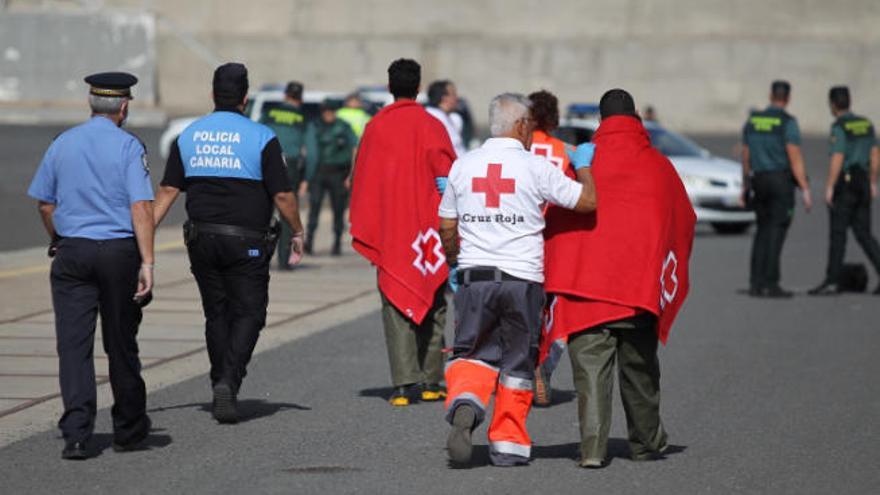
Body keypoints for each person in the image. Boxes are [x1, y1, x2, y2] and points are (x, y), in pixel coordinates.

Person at [439, 93, 598, 467]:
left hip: (475, 277)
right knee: (516, 363)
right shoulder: (535, 167)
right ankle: (508, 443)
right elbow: (587, 202)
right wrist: (585, 167)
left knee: (472, 353)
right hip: (522, 279)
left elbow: (447, 224)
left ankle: (466, 404)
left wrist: (454, 262)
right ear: (523, 126)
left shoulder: (464, 165)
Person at [542, 88, 696, 468]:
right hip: (638, 290)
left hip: (584, 290)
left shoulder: (583, 163)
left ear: (600, 122)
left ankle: (592, 450)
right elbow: (683, 219)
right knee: (640, 371)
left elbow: (556, 216)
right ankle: (645, 443)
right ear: (637, 121)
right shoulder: (658, 165)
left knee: (590, 374)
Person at [153, 63, 306, 424]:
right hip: (246, 241)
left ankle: (219, 377)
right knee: (250, 313)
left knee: (216, 312)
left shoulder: (189, 135)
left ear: (212, 95)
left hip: (201, 238)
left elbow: (167, 190)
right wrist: (297, 231)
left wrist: (143, 237)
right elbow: (283, 195)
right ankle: (229, 380)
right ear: (245, 97)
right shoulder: (261, 137)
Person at [27, 72, 155, 459]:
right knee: (120, 343)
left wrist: (59, 239)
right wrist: (148, 261)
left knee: (73, 346)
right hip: (118, 253)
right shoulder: (129, 146)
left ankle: (78, 434)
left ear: (90, 103)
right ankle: (129, 430)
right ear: (124, 106)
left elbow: (45, 203)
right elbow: (140, 207)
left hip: (73, 253)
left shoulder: (62, 143)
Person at [349, 59, 456, 406]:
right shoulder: (432, 125)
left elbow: (363, 182)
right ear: (419, 85)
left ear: (390, 85)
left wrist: (373, 230)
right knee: (436, 303)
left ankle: (402, 385)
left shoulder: (376, 127)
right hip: (428, 233)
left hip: (392, 232)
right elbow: (449, 177)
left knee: (395, 305)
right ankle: (430, 380)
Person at [740, 80, 812, 298]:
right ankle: (771, 284)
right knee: (777, 231)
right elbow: (794, 156)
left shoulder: (753, 120)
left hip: (759, 180)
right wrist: (805, 188)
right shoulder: (787, 122)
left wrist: (745, 185)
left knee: (762, 231)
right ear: (787, 98)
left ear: (770, 95)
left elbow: (746, 156)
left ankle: (755, 282)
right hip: (780, 181)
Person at [527, 89, 575, 407]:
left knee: (524, 308)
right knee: (558, 311)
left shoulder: (522, 147)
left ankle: (516, 371)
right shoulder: (564, 151)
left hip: (523, 235)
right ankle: (545, 367)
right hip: (554, 237)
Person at [809, 86, 880, 295]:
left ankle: (832, 281)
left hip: (846, 184)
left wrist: (830, 186)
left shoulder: (839, 127)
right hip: (863, 182)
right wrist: (873, 181)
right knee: (864, 234)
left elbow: (838, 157)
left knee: (838, 234)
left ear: (832, 104)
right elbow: (875, 155)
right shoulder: (866, 124)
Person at [259, 81, 318, 270]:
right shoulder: (303, 119)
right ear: (300, 99)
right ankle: (284, 260)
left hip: (264, 164)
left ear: (285, 96)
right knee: (287, 213)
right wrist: (307, 179)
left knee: (260, 213)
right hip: (289, 167)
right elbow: (313, 154)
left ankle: (258, 257)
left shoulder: (268, 114)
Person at [304, 100, 358, 255]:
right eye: (326, 112)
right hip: (319, 172)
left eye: (331, 112)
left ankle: (337, 242)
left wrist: (351, 175)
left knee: (338, 209)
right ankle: (310, 240)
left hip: (338, 172)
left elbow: (355, 147)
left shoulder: (343, 126)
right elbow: (310, 150)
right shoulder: (315, 126)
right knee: (314, 207)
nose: (329, 115)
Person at [426, 79, 467, 157]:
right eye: (454, 94)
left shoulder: (450, 117)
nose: (457, 98)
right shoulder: (434, 118)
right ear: (444, 98)